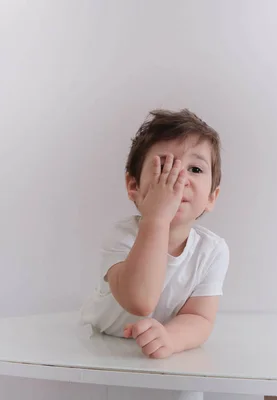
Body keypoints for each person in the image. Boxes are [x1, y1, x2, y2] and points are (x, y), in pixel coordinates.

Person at [81, 109, 229, 359]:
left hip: (153, 357)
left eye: (195, 169)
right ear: (134, 186)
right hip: (100, 349)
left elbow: (199, 317)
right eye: (165, 167)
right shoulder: (122, 237)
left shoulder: (212, 251)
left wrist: (170, 338)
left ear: (211, 197)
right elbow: (140, 301)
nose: (179, 179)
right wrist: (157, 218)